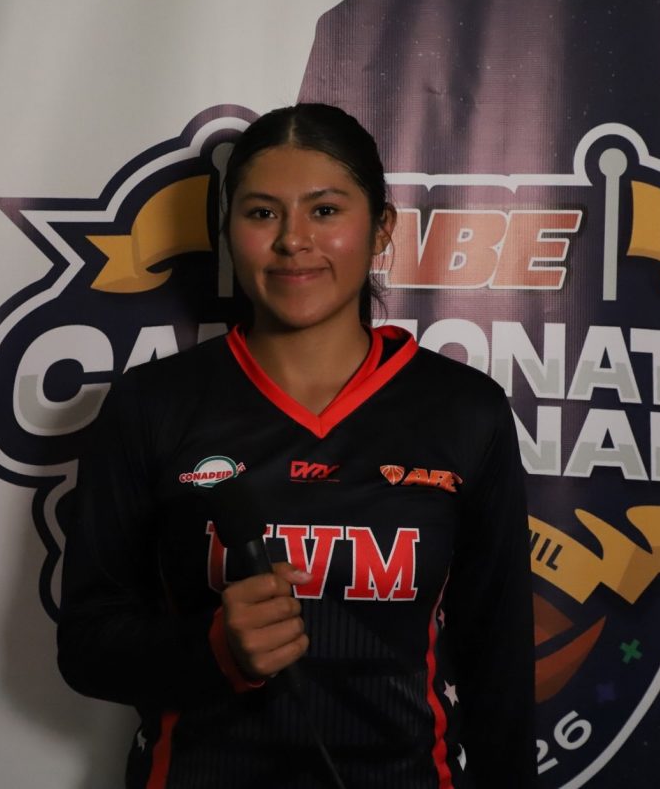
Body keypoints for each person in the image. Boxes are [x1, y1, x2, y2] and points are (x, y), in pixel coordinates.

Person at [57, 103, 535, 789]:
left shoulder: (465, 411)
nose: (292, 241)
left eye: (325, 210)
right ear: (228, 230)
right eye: (261, 213)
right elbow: (86, 646)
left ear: (382, 228)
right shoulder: (152, 405)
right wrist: (214, 648)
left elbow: (500, 664)